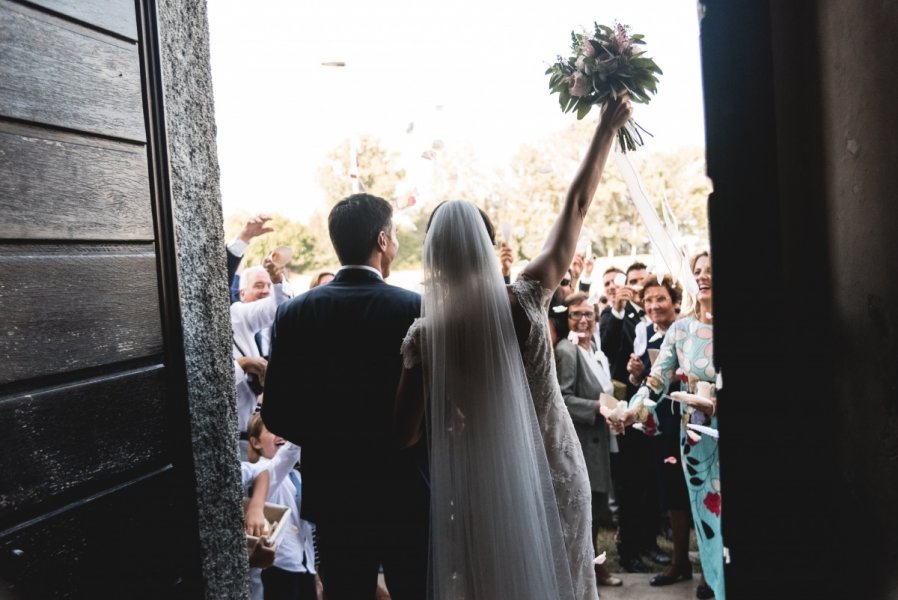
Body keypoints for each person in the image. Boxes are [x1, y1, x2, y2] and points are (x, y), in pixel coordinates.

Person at [394, 96, 633, 600]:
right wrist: (606, 129)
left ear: (435, 259)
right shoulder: (526, 297)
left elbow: (406, 432)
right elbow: (578, 205)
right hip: (556, 465)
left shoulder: (426, 336)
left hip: (483, 485)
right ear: (489, 244)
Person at [261, 194, 428, 600]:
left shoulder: (296, 313)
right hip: (403, 489)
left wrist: (330, 437)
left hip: (334, 493)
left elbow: (278, 414)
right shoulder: (414, 307)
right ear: (383, 239)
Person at [613, 252, 723, 600]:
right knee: (707, 519)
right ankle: (713, 581)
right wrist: (632, 411)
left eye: (710, 271)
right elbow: (656, 382)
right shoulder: (681, 329)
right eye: (697, 271)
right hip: (695, 442)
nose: (703, 276)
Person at [626, 275, 695, 587]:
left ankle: (709, 565)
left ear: (676, 301)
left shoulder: (689, 331)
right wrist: (637, 375)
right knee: (673, 494)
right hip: (661, 425)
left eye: (660, 299)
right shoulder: (647, 337)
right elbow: (647, 385)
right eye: (648, 300)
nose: (654, 305)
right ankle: (680, 562)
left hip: (692, 419)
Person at [553, 292, 621, 588]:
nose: (582, 320)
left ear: (596, 317)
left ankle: (592, 570)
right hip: (583, 440)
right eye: (575, 314)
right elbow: (562, 397)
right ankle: (591, 574)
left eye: (588, 314)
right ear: (567, 319)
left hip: (602, 437)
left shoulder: (595, 348)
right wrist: (596, 407)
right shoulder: (567, 351)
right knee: (585, 512)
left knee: (595, 510)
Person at [245, 413, 317, 600]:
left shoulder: (296, 477)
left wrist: (314, 572)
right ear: (255, 442)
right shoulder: (265, 470)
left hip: (304, 564)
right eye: (272, 430)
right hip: (279, 565)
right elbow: (290, 452)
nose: (281, 435)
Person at [232, 259, 291, 459]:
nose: (265, 291)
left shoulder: (238, 314)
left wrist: (277, 280)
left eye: (267, 286)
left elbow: (278, 310)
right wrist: (242, 366)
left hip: (261, 436)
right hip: (231, 435)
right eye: (259, 285)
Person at [228, 214, 275, 303]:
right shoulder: (232, 312)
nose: (266, 291)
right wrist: (244, 237)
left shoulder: (279, 313)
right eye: (258, 286)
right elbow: (224, 276)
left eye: (270, 286)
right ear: (242, 294)